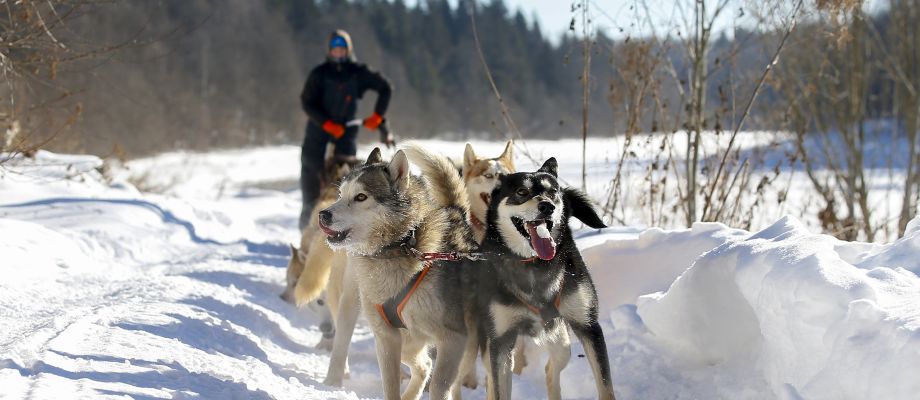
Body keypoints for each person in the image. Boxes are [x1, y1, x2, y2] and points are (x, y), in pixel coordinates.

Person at [299, 29, 393, 230]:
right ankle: (306, 233)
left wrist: (377, 116)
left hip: (346, 134)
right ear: (329, 51)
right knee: (312, 183)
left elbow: (386, 88)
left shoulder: (358, 73)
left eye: (343, 49)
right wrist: (326, 123)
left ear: (348, 50)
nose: (339, 52)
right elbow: (307, 102)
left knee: (345, 185)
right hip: (318, 132)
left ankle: (341, 230)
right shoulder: (319, 73)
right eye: (335, 49)